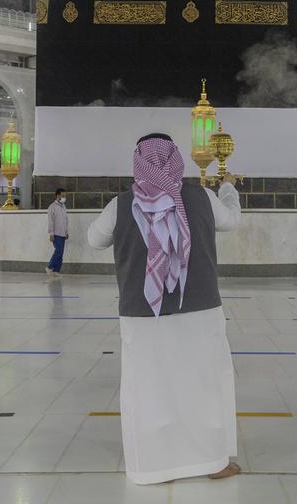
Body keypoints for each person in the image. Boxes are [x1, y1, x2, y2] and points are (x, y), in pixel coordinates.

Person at [88, 134, 242, 485]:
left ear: (138, 161)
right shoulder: (201, 196)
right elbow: (232, 220)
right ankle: (213, 462)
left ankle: (155, 468)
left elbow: (93, 239)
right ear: (176, 159)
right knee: (204, 384)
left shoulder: (120, 204)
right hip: (199, 307)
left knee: (148, 388)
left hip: (142, 313)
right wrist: (229, 188)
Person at [46, 188, 68, 277]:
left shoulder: (63, 206)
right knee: (58, 251)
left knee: (61, 253)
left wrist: (66, 232)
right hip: (56, 233)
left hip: (63, 233)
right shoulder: (52, 207)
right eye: (63, 195)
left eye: (65, 196)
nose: (64, 197)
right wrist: (51, 233)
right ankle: (50, 267)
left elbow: (66, 220)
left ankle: (56, 271)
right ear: (57, 195)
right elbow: (50, 221)